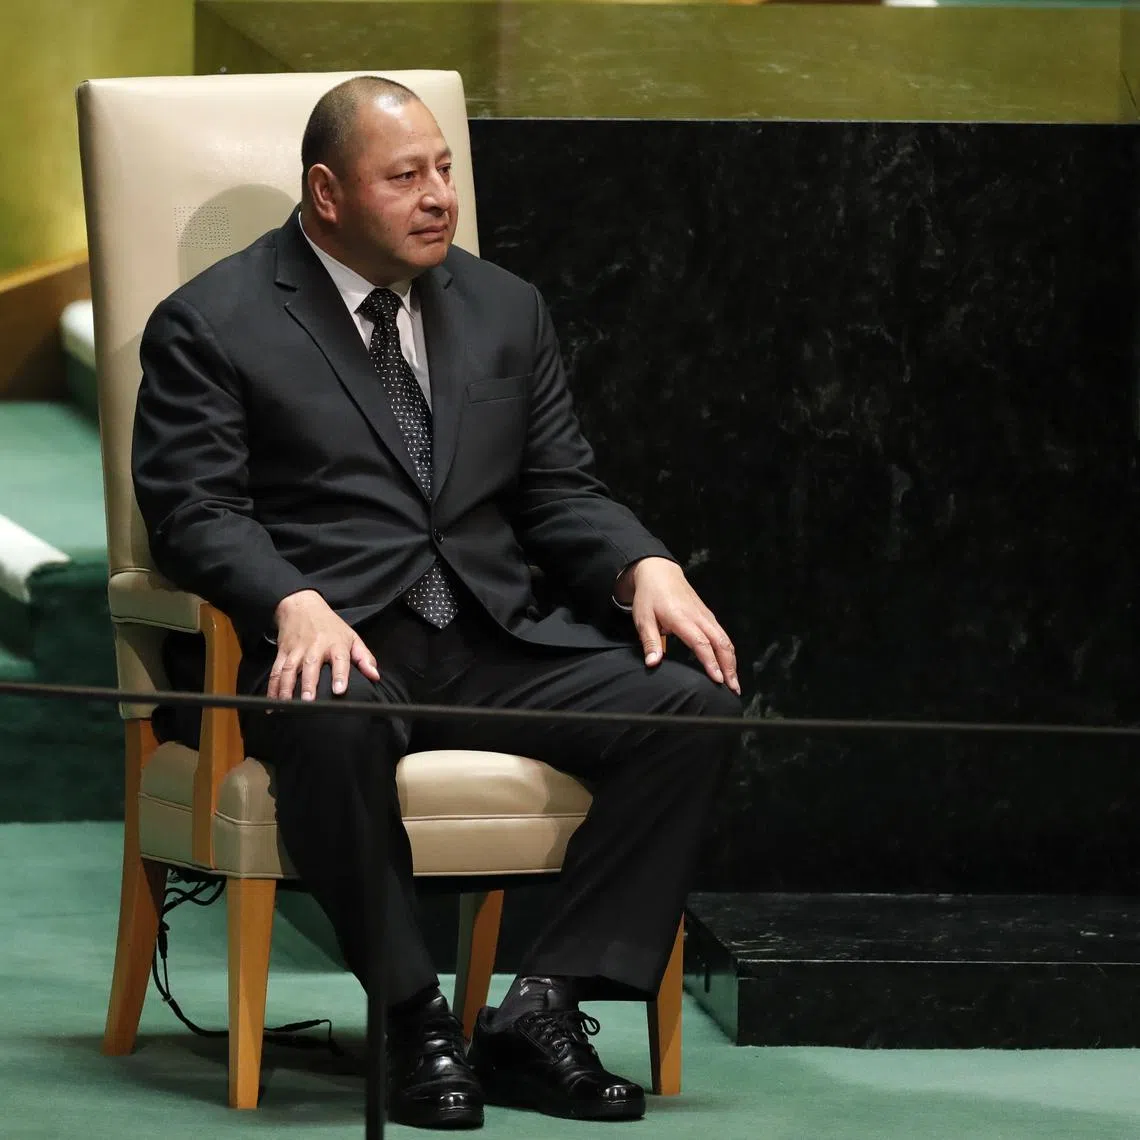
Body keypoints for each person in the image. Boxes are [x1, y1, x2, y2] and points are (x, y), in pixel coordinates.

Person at [133, 75, 741, 1130]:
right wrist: (291, 600)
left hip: (492, 636)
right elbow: (193, 511)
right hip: (335, 645)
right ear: (327, 193)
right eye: (403, 176)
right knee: (331, 721)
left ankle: (538, 1011)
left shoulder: (504, 307)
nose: (437, 198)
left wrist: (642, 564)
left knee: (691, 705)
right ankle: (415, 1019)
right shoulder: (214, 321)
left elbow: (558, 489)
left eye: (445, 170)